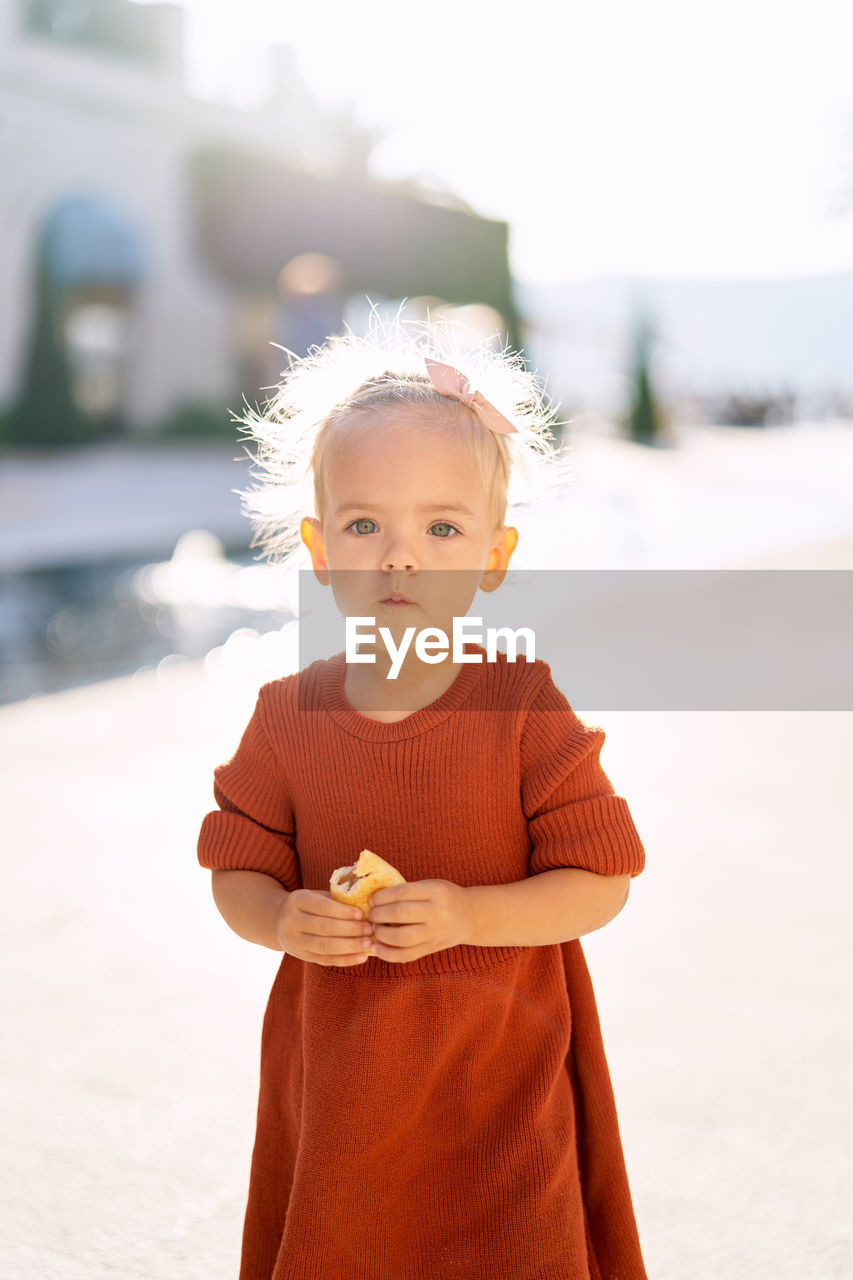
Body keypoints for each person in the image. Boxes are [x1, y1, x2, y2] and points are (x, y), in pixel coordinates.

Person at [198, 312, 648, 1280]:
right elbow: (237, 866)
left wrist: (469, 912)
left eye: (441, 527)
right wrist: (280, 917)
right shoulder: (288, 716)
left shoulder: (520, 705)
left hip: (502, 1096)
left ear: (495, 554)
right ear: (320, 548)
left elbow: (601, 877)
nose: (400, 555)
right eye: (366, 525)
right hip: (345, 1109)